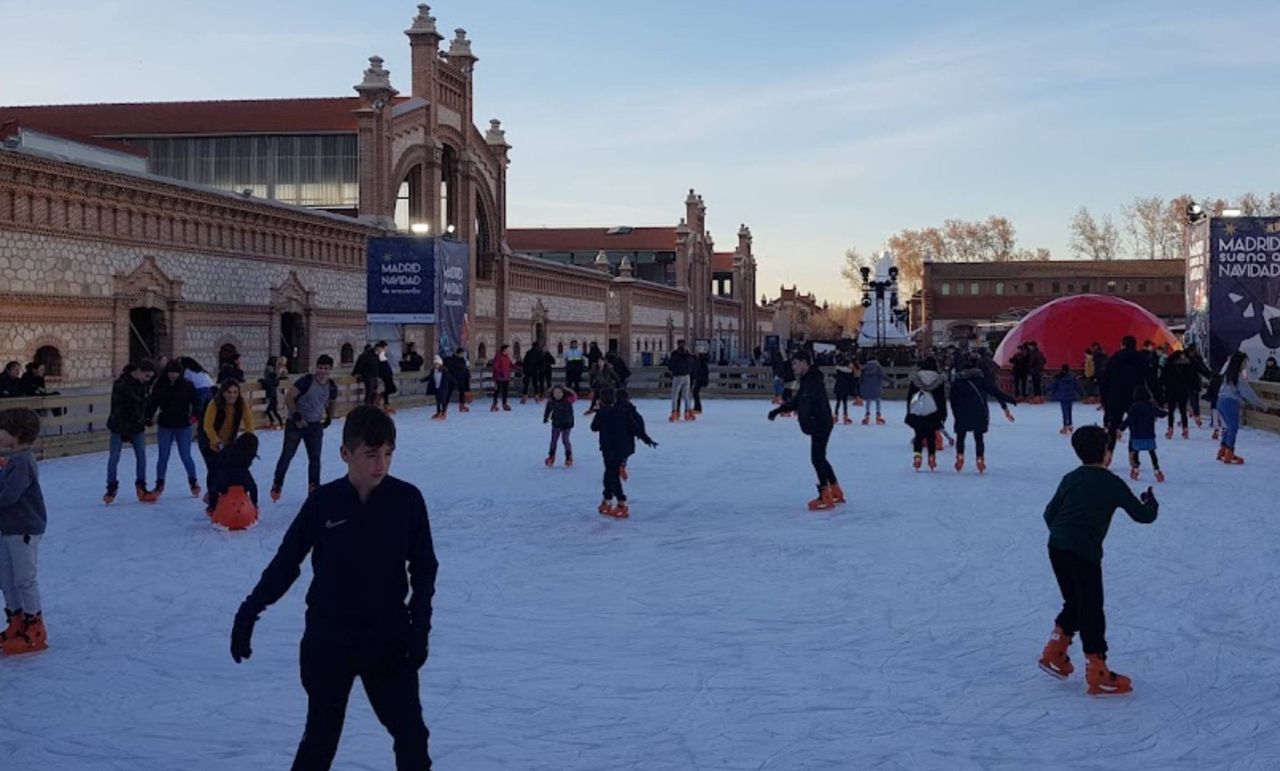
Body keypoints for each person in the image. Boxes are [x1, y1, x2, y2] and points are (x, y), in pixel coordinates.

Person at [231, 406, 437, 770]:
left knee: (412, 737)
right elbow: (286, 562)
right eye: (371, 455)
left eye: (388, 454)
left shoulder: (406, 500)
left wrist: (419, 627)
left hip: (387, 639)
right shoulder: (324, 502)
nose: (381, 465)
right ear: (345, 454)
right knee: (320, 740)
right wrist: (250, 610)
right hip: (329, 639)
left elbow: (424, 569)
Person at [1038, 425, 1158, 696]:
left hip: (1057, 547)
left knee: (1075, 602)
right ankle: (1097, 669)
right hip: (1084, 553)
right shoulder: (1111, 483)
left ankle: (1055, 650)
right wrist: (1151, 503)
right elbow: (1143, 516)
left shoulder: (1071, 478)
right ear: (1107, 453)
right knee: (1091, 606)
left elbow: (1049, 514)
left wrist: (1065, 534)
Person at [768, 350, 843, 510]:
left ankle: (826, 494)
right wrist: (780, 409)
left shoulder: (813, 380)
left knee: (817, 458)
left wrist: (806, 418)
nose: (793, 367)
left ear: (804, 362)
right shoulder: (808, 379)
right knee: (820, 457)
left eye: (795, 363)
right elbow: (799, 400)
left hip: (820, 422)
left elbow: (805, 401)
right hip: (819, 422)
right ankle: (836, 490)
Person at [0, 408, 48, 655]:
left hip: (23, 529)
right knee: (6, 580)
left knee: (24, 579)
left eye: (2, 429)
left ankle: (35, 627)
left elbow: (9, 495)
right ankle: (16, 622)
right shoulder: (12, 460)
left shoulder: (22, 462)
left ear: (16, 434)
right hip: (7, 528)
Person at [271, 356, 338, 503]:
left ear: (330, 370)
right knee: (287, 455)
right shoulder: (306, 381)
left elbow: (332, 402)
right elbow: (289, 398)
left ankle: (314, 488)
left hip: (314, 425)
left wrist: (328, 419)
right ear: (316, 368)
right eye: (320, 368)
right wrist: (297, 417)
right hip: (296, 424)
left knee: (315, 459)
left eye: (326, 369)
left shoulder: (331, 386)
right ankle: (277, 484)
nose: (323, 371)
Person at [591, 388, 656, 518]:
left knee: (611, 473)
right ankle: (607, 499)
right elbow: (636, 427)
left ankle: (621, 502)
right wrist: (646, 439)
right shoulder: (624, 412)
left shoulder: (603, 413)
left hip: (609, 448)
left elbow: (594, 427)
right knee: (610, 472)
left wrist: (599, 412)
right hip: (622, 448)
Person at [145, 359, 203, 501]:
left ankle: (193, 481)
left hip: (183, 425)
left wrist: (195, 416)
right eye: (171, 372)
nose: (173, 375)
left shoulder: (187, 385)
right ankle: (159, 483)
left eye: (176, 373)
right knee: (163, 456)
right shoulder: (160, 385)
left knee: (185, 455)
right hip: (165, 424)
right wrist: (148, 417)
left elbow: (197, 401)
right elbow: (153, 402)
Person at [949, 357, 1015, 474]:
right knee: (979, 438)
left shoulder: (958, 382)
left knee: (961, 437)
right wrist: (1010, 400)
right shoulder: (981, 380)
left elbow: (952, 399)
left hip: (962, 413)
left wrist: (956, 413)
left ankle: (960, 457)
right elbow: (995, 392)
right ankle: (980, 459)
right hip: (978, 412)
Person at [105, 361, 156, 505]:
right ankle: (111, 486)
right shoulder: (121, 384)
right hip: (118, 426)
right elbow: (118, 410)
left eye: (150, 377)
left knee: (141, 455)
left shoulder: (143, 384)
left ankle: (141, 486)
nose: (148, 379)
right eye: (146, 376)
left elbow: (142, 405)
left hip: (137, 426)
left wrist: (146, 418)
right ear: (138, 370)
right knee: (114, 457)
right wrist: (124, 431)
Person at [200, 379, 255, 499]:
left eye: (235, 392)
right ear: (223, 393)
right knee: (214, 468)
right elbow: (207, 425)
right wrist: (216, 442)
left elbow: (249, 422)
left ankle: (228, 494)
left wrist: (249, 441)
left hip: (229, 441)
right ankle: (212, 498)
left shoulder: (241, 403)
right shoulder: (214, 403)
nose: (232, 395)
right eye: (229, 392)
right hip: (209, 439)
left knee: (229, 468)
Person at [1101, 336, 1153, 456]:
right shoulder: (1141, 358)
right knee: (1134, 426)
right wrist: (1158, 397)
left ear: (1123, 345)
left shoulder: (1114, 359)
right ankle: (1133, 453)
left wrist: (1104, 398)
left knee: (1113, 426)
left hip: (1116, 396)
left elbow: (1104, 379)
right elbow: (1150, 378)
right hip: (1135, 397)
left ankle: (1109, 452)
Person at [1216, 351, 1265, 464]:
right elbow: (1248, 393)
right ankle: (1229, 452)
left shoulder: (1227, 375)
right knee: (1233, 427)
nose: (1246, 364)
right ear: (1240, 363)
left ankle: (1223, 449)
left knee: (1228, 427)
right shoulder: (1237, 377)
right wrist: (1260, 404)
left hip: (1221, 400)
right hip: (1230, 402)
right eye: (1245, 362)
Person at [905, 357, 948, 471]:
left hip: (918, 410)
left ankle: (917, 457)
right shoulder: (938, 379)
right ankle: (931, 457)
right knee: (931, 436)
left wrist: (909, 411)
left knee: (918, 435)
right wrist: (943, 414)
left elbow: (910, 397)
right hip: (933, 412)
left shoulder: (916, 378)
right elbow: (941, 398)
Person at [1119, 386, 1167, 482]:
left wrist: (1121, 428)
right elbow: (1159, 413)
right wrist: (1165, 413)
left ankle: (1136, 469)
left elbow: (1128, 420)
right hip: (1149, 434)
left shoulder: (1133, 407)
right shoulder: (1150, 406)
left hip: (1136, 435)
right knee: (1152, 453)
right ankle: (1156, 469)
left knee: (1136, 452)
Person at [208, 432, 260, 515]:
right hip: (243, 482)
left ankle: (212, 507)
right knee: (253, 488)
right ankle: (254, 506)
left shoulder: (228, 449)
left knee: (213, 488)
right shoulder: (248, 454)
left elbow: (217, 464)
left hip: (224, 482)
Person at [616, 389, 655, 482]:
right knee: (625, 453)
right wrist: (646, 438)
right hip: (627, 438)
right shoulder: (630, 410)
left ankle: (616, 466)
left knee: (613, 454)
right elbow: (638, 425)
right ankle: (622, 465)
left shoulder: (612, 409)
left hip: (612, 438)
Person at [1159, 349, 1192, 440]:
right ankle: (1185, 429)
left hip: (1171, 391)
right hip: (1183, 390)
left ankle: (1170, 429)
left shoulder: (1168, 365)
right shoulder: (1187, 366)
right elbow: (1190, 378)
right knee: (1183, 411)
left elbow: (1162, 379)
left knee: (1171, 411)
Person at [543, 384, 576, 467]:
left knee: (565, 440)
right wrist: (545, 417)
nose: (557, 395)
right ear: (552, 394)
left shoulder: (567, 402)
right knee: (553, 440)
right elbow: (548, 410)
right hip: (556, 423)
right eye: (555, 393)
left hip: (566, 425)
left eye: (559, 393)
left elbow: (569, 414)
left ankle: (568, 457)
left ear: (563, 393)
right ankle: (551, 456)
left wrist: (567, 424)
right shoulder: (551, 402)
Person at [1049, 364, 1083, 434]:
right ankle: (1070, 425)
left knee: (1064, 412)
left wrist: (1047, 391)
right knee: (1069, 411)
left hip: (1062, 396)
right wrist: (1081, 393)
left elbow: (1053, 385)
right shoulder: (1072, 377)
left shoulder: (1059, 377)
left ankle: (1065, 426)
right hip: (1070, 396)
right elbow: (1076, 386)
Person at [668, 340, 696, 422]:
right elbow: (693, 362)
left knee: (675, 395)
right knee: (687, 395)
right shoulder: (688, 354)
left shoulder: (675, 354)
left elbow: (670, 365)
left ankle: (675, 412)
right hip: (687, 376)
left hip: (678, 376)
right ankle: (688, 412)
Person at [1185, 344, 1211, 426]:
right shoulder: (1185, 358)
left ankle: (1195, 415)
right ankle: (1191, 415)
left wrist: (1210, 375)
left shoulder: (1196, 358)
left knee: (1194, 400)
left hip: (1193, 382)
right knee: (1190, 400)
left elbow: (1202, 367)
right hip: (1187, 382)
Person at [425, 356, 457, 421]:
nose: (435, 365)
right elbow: (430, 377)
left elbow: (449, 377)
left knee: (443, 400)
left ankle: (444, 412)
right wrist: (424, 379)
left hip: (443, 387)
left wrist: (455, 383)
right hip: (437, 387)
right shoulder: (433, 371)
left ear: (440, 364)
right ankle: (438, 412)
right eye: (434, 364)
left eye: (437, 364)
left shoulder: (444, 371)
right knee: (438, 400)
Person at [354, 343, 382, 407]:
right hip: (369, 376)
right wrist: (357, 373)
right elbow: (359, 366)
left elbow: (377, 365)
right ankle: (368, 406)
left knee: (374, 391)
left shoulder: (374, 356)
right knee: (369, 392)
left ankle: (372, 405)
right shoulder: (364, 356)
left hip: (374, 375)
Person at [860, 356, 886, 424]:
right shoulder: (878, 367)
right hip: (876, 386)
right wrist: (891, 381)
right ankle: (878, 416)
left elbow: (861, 377)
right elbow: (883, 375)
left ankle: (867, 416)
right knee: (878, 401)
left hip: (868, 387)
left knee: (868, 401)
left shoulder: (865, 367)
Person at [260, 357, 285, 430]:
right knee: (272, 411)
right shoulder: (271, 370)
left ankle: (276, 422)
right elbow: (274, 378)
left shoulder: (272, 378)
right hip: (273, 397)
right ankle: (276, 422)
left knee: (270, 411)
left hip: (273, 397)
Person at [833, 353, 856, 425]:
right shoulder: (849, 372)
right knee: (844, 402)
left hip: (838, 387)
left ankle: (836, 415)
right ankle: (845, 416)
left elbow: (835, 376)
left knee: (838, 402)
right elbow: (852, 378)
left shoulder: (838, 370)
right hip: (845, 388)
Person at [491, 344, 514, 411]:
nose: (508, 351)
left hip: (506, 377)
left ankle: (504, 404)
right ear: (504, 350)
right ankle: (494, 404)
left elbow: (510, 364)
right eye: (507, 349)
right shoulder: (498, 356)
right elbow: (495, 366)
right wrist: (500, 372)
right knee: (497, 391)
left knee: (505, 391)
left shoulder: (507, 357)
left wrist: (518, 368)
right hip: (499, 377)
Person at [378, 345, 399, 413]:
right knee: (392, 389)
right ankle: (384, 401)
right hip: (386, 376)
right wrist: (383, 349)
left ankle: (386, 404)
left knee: (389, 389)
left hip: (388, 375)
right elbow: (382, 358)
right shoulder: (382, 358)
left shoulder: (384, 359)